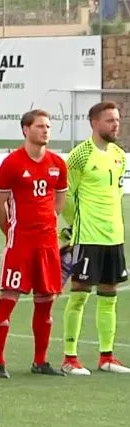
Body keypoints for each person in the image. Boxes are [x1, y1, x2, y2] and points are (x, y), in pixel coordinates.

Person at [0, 109, 68, 378]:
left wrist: (49, 221)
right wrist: (11, 232)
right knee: (8, 300)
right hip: (20, 245)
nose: (45, 130)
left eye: (48, 126)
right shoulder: (12, 164)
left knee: (46, 302)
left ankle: (40, 361)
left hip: (47, 245)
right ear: (25, 130)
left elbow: (59, 199)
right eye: (39, 126)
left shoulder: (58, 163)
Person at [58, 101, 130, 375]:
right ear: (94, 123)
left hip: (114, 236)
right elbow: (66, 197)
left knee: (109, 295)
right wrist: (74, 226)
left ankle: (106, 357)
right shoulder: (79, 156)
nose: (116, 124)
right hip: (88, 236)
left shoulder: (119, 155)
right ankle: (70, 358)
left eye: (117, 119)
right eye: (110, 120)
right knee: (79, 294)